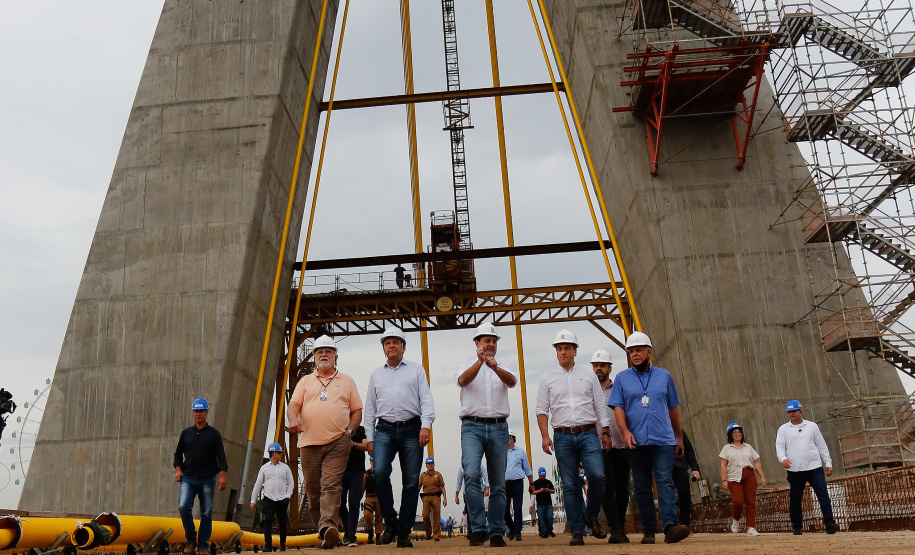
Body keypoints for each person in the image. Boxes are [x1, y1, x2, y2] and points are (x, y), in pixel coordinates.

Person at [608, 332, 690, 545]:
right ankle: (649, 531)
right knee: (643, 485)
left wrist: (678, 437)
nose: (634, 354)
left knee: (664, 480)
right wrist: (625, 432)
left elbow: (673, 409)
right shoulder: (621, 379)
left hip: (663, 438)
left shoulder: (664, 376)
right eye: (631, 351)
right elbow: (618, 409)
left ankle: (670, 526)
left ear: (649, 352)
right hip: (635, 442)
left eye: (638, 350)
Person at [535, 329, 612, 546]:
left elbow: (600, 404)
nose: (562, 352)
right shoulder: (547, 378)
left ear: (575, 351)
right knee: (569, 485)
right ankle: (577, 531)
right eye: (559, 349)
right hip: (562, 437)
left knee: (597, 476)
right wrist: (544, 436)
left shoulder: (588, 375)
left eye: (567, 348)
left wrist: (605, 432)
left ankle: (592, 515)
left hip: (588, 433)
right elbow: (541, 409)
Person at [287, 335, 363, 550]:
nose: (324, 355)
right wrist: (293, 419)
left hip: (338, 441)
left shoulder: (347, 381)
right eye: (320, 352)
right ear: (314, 356)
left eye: (328, 351)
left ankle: (328, 526)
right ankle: (324, 531)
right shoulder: (305, 382)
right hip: (309, 443)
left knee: (331, 485)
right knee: (313, 491)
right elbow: (294, 405)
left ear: (336, 356)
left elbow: (356, 410)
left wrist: (349, 432)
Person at [364, 327, 436, 548]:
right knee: (380, 472)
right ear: (384, 348)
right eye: (387, 343)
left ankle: (404, 532)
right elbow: (370, 409)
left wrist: (426, 426)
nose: (391, 345)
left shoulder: (416, 370)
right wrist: (369, 438)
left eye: (396, 342)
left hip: (412, 429)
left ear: (403, 347)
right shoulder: (376, 374)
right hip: (384, 429)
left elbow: (426, 400)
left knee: (411, 482)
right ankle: (391, 522)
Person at [455, 322, 517, 547]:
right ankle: (479, 528)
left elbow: (512, 381)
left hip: (499, 426)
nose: (490, 344)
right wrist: (481, 363)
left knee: (498, 481)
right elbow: (463, 381)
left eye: (493, 341)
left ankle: (497, 531)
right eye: (486, 340)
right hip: (472, 426)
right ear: (477, 343)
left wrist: (495, 368)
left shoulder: (505, 365)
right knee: (471, 473)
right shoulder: (466, 365)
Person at [173, 398, 228, 555]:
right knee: (184, 507)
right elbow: (178, 454)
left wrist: (222, 476)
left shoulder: (214, 434)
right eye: (196, 411)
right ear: (193, 413)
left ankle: (203, 545)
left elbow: (221, 456)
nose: (198, 414)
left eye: (201, 411)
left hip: (207, 479)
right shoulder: (186, 434)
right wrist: (178, 470)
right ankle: (191, 540)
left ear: (206, 413)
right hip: (188, 478)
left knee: (206, 513)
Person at [775, 400, 838, 535]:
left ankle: (829, 523)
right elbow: (780, 446)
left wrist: (828, 462)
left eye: (794, 411)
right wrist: (783, 458)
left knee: (823, 494)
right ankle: (797, 526)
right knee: (796, 498)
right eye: (790, 412)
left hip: (814, 467)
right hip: (795, 469)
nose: (792, 414)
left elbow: (821, 445)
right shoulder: (783, 429)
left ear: (800, 412)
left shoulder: (812, 426)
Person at [590, 349, 631, 544]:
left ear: (609, 368)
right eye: (595, 366)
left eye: (602, 365)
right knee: (607, 488)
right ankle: (615, 527)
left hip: (621, 445)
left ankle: (620, 525)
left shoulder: (619, 389)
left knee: (623, 488)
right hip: (598, 446)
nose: (598, 368)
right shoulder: (588, 391)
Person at [719, 422, 766, 536]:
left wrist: (762, 476)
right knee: (738, 501)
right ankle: (736, 519)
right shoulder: (726, 448)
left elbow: (755, 462)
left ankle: (751, 527)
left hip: (748, 475)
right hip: (734, 477)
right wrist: (724, 480)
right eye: (734, 432)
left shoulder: (748, 447)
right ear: (730, 435)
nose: (737, 434)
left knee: (750, 502)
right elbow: (723, 465)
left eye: (739, 431)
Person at [250, 443, 294, 552]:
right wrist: (253, 500)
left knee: (282, 522)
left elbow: (291, 483)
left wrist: (287, 496)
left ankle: (282, 544)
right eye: (279, 453)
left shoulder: (285, 468)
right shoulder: (264, 468)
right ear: (273, 453)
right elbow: (258, 484)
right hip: (269, 498)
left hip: (282, 499)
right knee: (268, 520)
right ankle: (268, 545)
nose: (281, 455)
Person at [339, 424, 368, 546]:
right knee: (339, 503)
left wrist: (353, 444)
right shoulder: (338, 429)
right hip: (341, 470)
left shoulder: (361, 430)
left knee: (354, 503)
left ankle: (351, 537)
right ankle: (347, 529)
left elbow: (366, 445)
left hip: (357, 471)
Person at [503, 430, 533, 541]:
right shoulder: (502, 453)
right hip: (505, 483)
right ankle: (511, 528)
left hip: (518, 482)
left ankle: (518, 532)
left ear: (512, 438)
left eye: (508, 437)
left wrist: (531, 483)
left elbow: (527, 469)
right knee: (504, 509)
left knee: (517, 507)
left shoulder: (520, 452)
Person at [672, 431, 700, 530]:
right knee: (668, 496)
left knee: (684, 493)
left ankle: (684, 524)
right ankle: (671, 524)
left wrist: (694, 468)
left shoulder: (678, 430)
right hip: (664, 468)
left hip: (680, 465)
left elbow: (688, 449)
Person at [418, 457, 447, 541]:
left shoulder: (438, 475)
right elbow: (418, 487)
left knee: (436, 516)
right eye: (429, 464)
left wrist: (445, 498)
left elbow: (442, 486)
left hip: (436, 497)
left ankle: (437, 535)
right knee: (425, 516)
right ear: (426, 465)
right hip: (426, 497)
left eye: (431, 464)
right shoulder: (423, 475)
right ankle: (428, 532)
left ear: (433, 465)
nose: (430, 465)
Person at [531, 467, 557, 538]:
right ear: (538, 475)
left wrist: (547, 490)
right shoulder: (535, 483)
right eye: (541, 476)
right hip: (540, 504)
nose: (542, 477)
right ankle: (544, 532)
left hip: (548, 503)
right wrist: (540, 491)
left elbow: (553, 491)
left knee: (550, 517)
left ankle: (550, 529)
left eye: (543, 476)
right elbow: (533, 492)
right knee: (541, 519)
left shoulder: (548, 482)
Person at [362, 456, 383, 544]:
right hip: (369, 498)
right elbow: (362, 487)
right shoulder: (366, 474)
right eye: (372, 461)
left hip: (379, 497)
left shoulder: (381, 473)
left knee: (379, 517)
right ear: (370, 462)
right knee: (367, 515)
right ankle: (370, 534)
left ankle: (378, 536)